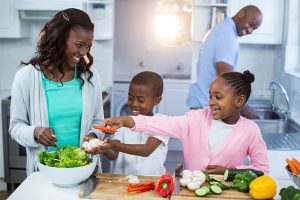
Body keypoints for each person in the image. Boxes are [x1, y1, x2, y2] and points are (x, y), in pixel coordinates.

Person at [103, 70, 269, 175]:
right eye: (210, 95)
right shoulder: (196, 118)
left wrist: (229, 171)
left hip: (229, 192)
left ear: (239, 101)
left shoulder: (250, 130)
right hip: (191, 191)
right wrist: (128, 120)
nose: (211, 102)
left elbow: (262, 169)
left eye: (218, 97)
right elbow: (163, 124)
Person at [9, 8, 105, 175]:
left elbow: (98, 120)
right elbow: (16, 127)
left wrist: (93, 136)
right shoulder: (26, 77)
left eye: (88, 46)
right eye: (79, 45)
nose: (83, 53)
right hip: (45, 172)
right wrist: (35, 132)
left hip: (84, 169)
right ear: (60, 39)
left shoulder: (90, 76)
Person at [84, 71, 169, 175]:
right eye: (130, 98)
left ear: (157, 100)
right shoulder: (123, 123)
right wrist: (102, 146)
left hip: (152, 181)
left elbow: (146, 150)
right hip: (124, 181)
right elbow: (113, 155)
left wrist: (113, 145)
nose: (134, 103)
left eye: (141, 100)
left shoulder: (161, 122)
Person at [186, 5, 263, 119]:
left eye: (254, 29)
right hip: (206, 106)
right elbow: (226, 79)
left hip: (202, 102)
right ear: (241, 14)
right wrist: (245, 109)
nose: (250, 31)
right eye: (251, 24)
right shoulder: (227, 36)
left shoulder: (223, 29)